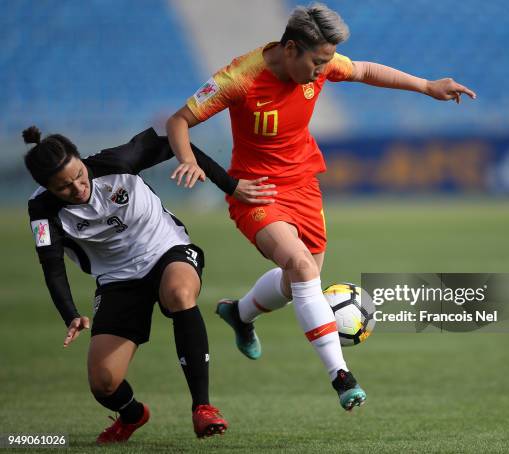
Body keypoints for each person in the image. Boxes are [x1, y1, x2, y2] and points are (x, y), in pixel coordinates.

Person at [165, 2, 476, 411]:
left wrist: (427, 86)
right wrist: (189, 160)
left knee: (302, 281)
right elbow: (179, 121)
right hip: (256, 192)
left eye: (327, 61)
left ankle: (240, 314)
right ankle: (341, 375)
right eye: (317, 61)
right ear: (291, 48)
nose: (323, 70)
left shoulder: (322, 63)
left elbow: (364, 70)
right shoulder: (240, 77)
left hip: (304, 187)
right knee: (302, 267)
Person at [24, 126, 275, 443]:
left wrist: (231, 186)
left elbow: (175, 139)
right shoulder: (42, 210)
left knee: (179, 293)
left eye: (79, 175)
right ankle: (132, 416)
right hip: (116, 278)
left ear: (80, 159)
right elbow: (52, 264)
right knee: (103, 383)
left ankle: (203, 407)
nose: (77, 187)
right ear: (45, 187)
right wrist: (70, 313)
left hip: (165, 249)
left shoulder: (116, 162)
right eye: (64, 187)